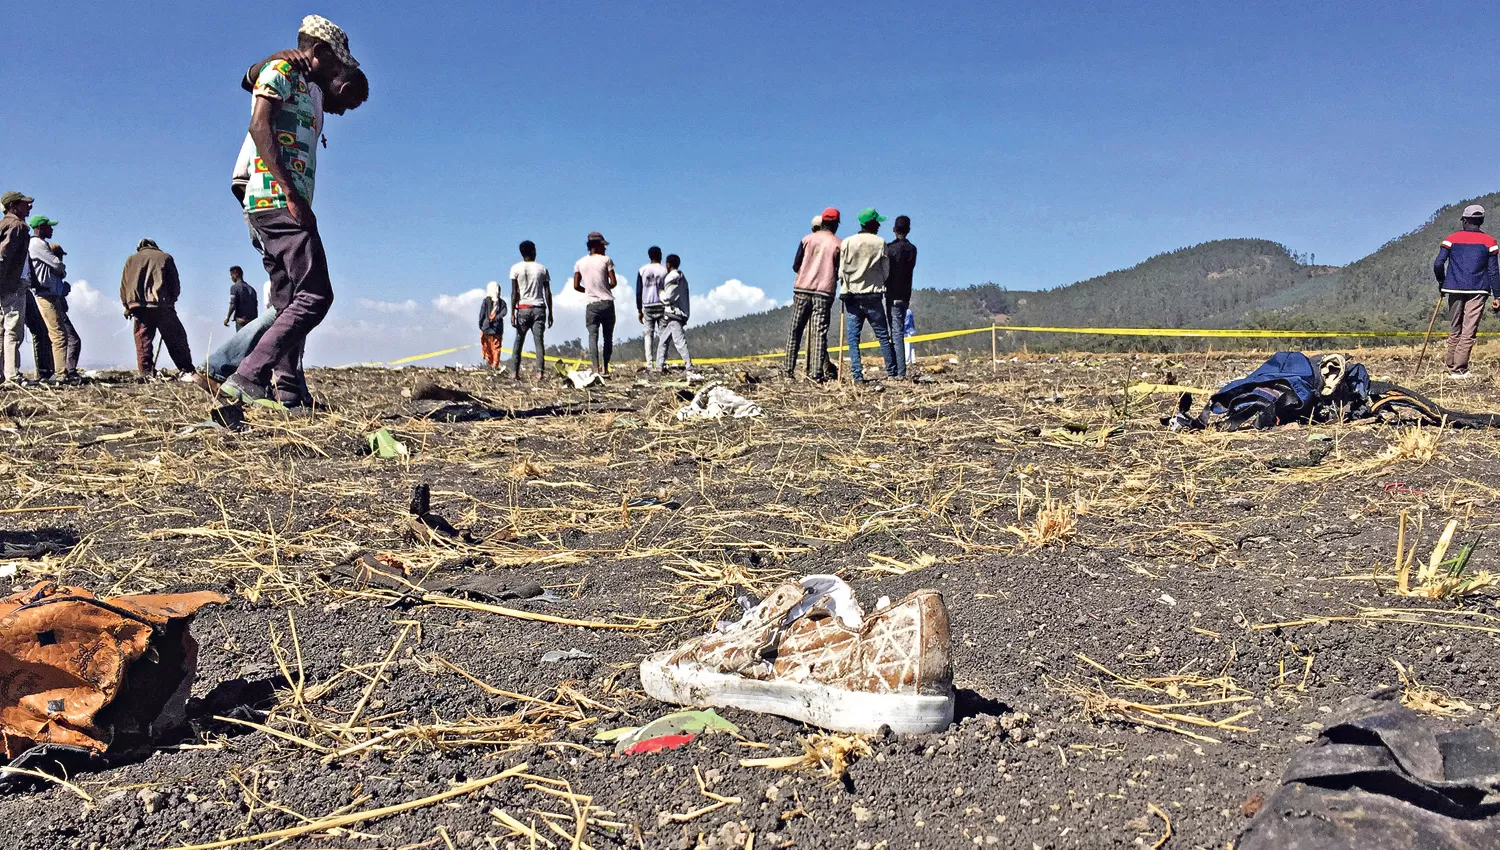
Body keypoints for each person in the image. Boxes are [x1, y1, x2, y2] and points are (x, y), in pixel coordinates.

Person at [221, 14, 361, 408]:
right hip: (277, 201)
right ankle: (247, 376)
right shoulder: (281, 69)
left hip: (278, 203)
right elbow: (259, 126)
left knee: (287, 301)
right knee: (316, 294)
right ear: (317, 52)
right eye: (336, 64)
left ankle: (287, 390)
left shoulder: (310, 88)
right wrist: (292, 196)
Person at [1433, 203, 1500, 379]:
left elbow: (1438, 263)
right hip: (1478, 290)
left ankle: (1451, 365)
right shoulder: (1489, 242)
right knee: (1468, 330)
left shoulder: (1451, 239)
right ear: (1481, 221)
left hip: (1453, 288)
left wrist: (1442, 282)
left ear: (1464, 220)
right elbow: (1493, 271)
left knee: (1455, 327)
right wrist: (1498, 295)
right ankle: (1459, 370)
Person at [120, 239, 199, 381]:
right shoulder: (165, 257)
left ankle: (146, 372)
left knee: (143, 340)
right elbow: (174, 283)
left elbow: (124, 285)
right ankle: (186, 369)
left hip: (139, 307)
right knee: (176, 338)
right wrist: (172, 299)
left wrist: (127, 306)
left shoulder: (131, 260)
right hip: (162, 304)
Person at [784, 208, 842, 381]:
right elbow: (839, 270)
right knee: (819, 333)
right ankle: (816, 374)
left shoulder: (806, 240)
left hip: (802, 289)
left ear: (822, 222)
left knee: (795, 330)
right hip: (824, 293)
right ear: (836, 225)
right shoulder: (839, 244)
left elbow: (796, 265)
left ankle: (788, 371)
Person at [839, 207, 895, 384]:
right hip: (873, 294)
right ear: (872, 224)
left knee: (853, 338)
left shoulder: (847, 242)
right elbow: (886, 270)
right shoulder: (880, 243)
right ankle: (892, 373)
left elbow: (841, 270)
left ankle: (857, 376)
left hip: (852, 295)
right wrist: (877, 281)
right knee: (882, 336)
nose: (879, 225)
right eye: (877, 222)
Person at [27, 219, 80, 382]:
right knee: (58, 334)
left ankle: (57, 371)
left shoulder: (37, 246)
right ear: (41, 227)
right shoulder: (38, 244)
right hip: (46, 295)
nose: (51, 229)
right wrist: (60, 271)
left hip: (48, 294)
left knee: (57, 334)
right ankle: (61, 372)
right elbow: (58, 266)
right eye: (49, 226)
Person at [0, 192, 34, 384]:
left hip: (5, 284)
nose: (29, 207)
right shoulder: (17, 226)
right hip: (11, 285)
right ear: (13, 205)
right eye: (25, 204)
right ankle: (12, 374)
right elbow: (3, 256)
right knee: (13, 329)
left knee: (2, 330)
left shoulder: (3, 225)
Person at [573, 231, 617, 374]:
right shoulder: (606, 260)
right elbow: (613, 282)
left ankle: (595, 368)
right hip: (607, 303)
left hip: (591, 305)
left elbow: (576, 285)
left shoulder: (580, 263)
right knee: (607, 337)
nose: (605, 249)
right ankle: (605, 367)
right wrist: (603, 287)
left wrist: (589, 290)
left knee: (593, 337)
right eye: (603, 246)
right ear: (597, 246)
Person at [509, 240, 552, 380]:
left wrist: (512, 313)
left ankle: (514, 372)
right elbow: (547, 292)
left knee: (518, 340)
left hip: (523, 309)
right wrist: (551, 312)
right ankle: (539, 372)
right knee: (539, 342)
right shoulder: (542, 269)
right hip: (539, 308)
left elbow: (514, 293)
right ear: (533, 251)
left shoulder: (515, 269)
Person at [884, 215, 917, 379]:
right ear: (908, 230)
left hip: (892, 295)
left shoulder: (889, 249)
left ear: (894, 229)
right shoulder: (912, 250)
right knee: (898, 331)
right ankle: (898, 369)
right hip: (905, 295)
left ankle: (899, 371)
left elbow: (886, 272)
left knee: (895, 332)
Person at [655, 253, 693, 374]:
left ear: (668, 264)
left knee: (678, 340)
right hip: (678, 314)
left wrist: (660, 292)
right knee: (663, 341)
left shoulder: (673, 278)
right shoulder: (682, 277)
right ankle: (659, 366)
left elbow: (668, 298)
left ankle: (689, 366)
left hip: (675, 314)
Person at [637, 246, 667, 366]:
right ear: (660, 255)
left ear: (649, 256)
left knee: (648, 334)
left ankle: (649, 362)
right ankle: (661, 362)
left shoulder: (642, 270)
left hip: (647, 305)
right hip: (662, 305)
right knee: (662, 335)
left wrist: (639, 309)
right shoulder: (665, 270)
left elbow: (639, 291)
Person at [478, 281, 506, 369]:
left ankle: (491, 365)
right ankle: (494, 365)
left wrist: (481, 325)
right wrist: (497, 318)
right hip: (497, 330)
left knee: (487, 348)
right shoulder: (502, 303)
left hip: (486, 329)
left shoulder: (486, 301)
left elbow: (481, 314)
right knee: (496, 348)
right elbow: (504, 313)